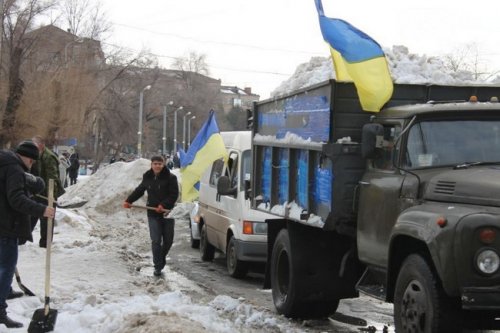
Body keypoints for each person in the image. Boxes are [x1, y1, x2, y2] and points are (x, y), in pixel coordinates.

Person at [0, 141, 55, 328]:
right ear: (28, 158)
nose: (30, 166)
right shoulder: (15, 169)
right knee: (6, 267)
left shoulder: (4, 162)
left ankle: (5, 291)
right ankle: (0, 311)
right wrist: (42, 210)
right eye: (31, 162)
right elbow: (16, 199)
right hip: (5, 227)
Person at [123, 155, 179, 277]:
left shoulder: (171, 178)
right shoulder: (147, 176)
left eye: (160, 163)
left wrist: (163, 205)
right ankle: (157, 266)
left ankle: (160, 259)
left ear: (163, 164)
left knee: (168, 241)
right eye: (155, 163)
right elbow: (140, 190)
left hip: (167, 213)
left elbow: (174, 195)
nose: (157, 166)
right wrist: (129, 201)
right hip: (152, 213)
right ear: (151, 165)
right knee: (156, 240)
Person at [31, 135, 64, 248]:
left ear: (41, 145)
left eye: (34, 144)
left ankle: (45, 245)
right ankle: (23, 240)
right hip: (38, 193)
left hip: (48, 194)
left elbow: (52, 179)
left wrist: (51, 197)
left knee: (46, 221)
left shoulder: (48, 157)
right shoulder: (37, 155)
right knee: (31, 215)